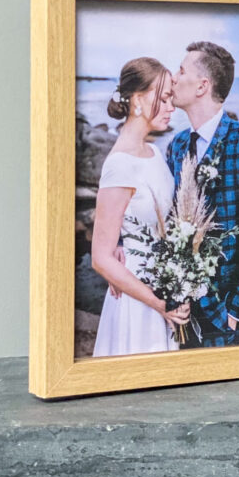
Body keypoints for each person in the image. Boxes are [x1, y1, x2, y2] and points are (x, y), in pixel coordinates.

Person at [167, 41, 239, 347]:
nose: (173, 78)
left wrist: (236, 312)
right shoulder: (177, 145)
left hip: (222, 313)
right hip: (180, 309)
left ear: (202, 86)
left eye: (181, 71)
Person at [91, 57, 190, 357]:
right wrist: (160, 304)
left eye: (171, 99)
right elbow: (100, 258)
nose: (171, 107)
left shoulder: (155, 153)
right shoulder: (119, 164)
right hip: (139, 300)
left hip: (163, 285)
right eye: (164, 98)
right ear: (136, 100)